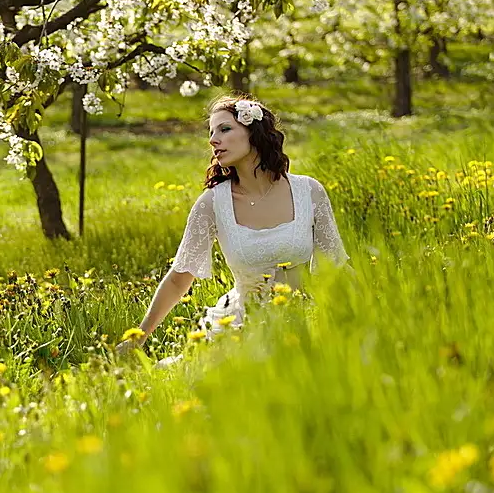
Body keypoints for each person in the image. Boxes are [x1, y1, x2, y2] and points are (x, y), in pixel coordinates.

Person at [115, 93, 351, 358]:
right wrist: (138, 337)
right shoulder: (212, 204)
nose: (213, 139)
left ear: (254, 133)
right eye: (211, 132)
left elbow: (336, 267)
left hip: (303, 322)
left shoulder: (308, 191)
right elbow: (179, 277)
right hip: (240, 327)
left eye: (225, 129)